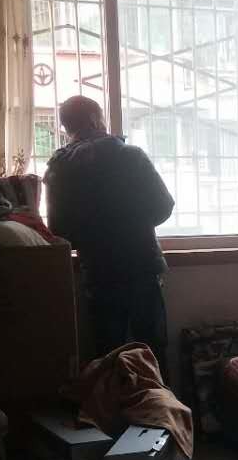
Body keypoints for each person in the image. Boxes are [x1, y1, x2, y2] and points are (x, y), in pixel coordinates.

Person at [45, 96, 175, 377]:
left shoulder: (59, 167)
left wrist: (92, 236)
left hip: (99, 271)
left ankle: (112, 405)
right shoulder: (131, 156)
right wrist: (134, 224)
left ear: (67, 126)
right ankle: (158, 403)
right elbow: (164, 206)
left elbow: (57, 227)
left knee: (107, 357)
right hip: (141, 263)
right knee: (152, 353)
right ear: (95, 119)